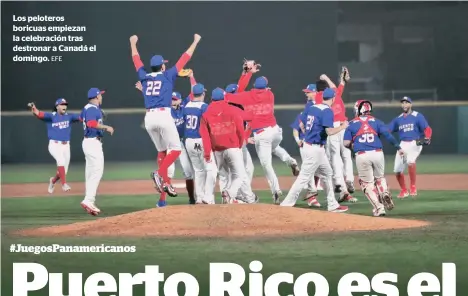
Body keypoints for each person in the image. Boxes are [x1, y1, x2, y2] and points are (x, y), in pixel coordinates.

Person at [129, 33, 201, 199]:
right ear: (162, 66)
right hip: (163, 115)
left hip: (149, 118)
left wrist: (133, 43)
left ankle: (166, 181)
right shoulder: (168, 75)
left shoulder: (144, 77)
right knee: (175, 149)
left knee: (162, 151)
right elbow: (185, 57)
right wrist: (195, 41)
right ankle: (160, 174)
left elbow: (136, 60)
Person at [280, 88, 349, 213]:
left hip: (311, 146)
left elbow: (301, 124)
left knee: (327, 173)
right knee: (303, 178)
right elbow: (329, 131)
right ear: (333, 99)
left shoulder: (313, 107)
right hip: (314, 149)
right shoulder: (328, 111)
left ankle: (332, 204)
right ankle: (286, 204)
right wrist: (343, 126)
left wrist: (308, 133)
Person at [135, 72, 197, 205]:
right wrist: (144, 91)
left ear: (180, 100)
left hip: (181, 143)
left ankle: (192, 199)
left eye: (175, 99)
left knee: (188, 171)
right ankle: (162, 200)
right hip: (168, 144)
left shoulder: (184, 106)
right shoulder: (166, 109)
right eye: (172, 99)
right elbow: (153, 100)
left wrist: (191, 77)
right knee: (169, 171)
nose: (173, 100)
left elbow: (194, 93)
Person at [226, 72, 287, 204]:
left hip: (262, 134)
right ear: (266, 87)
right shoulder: (270, 94)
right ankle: (288, 159)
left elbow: (231, 96)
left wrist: (246, 74)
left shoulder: (247, 96)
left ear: (254, 86)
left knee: (266, 164)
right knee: (274, 148)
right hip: (276, 132)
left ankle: (275, 189)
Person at [343, 100, 405, 216]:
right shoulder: (377, 121)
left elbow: (345, 143)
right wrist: (398, 147)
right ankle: (384, 192)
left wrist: (352, 144)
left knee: (366, 183)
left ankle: (379, 208)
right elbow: (388, 135)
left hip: (362, 155)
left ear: (358, 110)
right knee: (380, 178)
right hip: (378, 153)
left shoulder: (351, 124)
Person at [200, 88, 257, 204]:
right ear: (225, 97)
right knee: (240, 175)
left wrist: (207, 153)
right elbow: (241, 128)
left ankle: (224, 200)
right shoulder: (232, 110)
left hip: (217, 151)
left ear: (211, 99)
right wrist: (241, 142)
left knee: (223, 176)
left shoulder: (205, 114)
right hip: (233, 147)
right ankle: (230, 193)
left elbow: (205, 136)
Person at [315, 72, 356, 203]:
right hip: (344, 124)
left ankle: (339, 181)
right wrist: (327, 77)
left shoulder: (318, 97)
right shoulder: (335, 93)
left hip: (333, 127)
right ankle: (349, 178)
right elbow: (336, 86)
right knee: (347, 154)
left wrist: (340, 80)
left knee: (334, 156)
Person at [28, 99, 81, 193]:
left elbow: (81, 117)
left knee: (63, 172)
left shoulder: (70, 116)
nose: (64, 106)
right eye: (62, 104)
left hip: (66, 146)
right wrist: (34, 109)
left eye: (65, 104)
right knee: (60, 161)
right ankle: (64, 184)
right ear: (57, 106)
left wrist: (91, 114)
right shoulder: (51, 116)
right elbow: (39, 113)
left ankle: (52, 181)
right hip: (54, 145)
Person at [388, 96, 432, 198]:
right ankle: (404, 190)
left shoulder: (417, 116)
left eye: (406, 102)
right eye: (402, 103)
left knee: (410, 161)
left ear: (410, 104)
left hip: (415, 143)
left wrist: (428, 137)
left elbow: (427, 128)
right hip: (402, 144)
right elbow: (388, 129)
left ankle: (413, 187)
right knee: (397, 170)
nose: (404, 104)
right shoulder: (398, 119)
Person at [80, 88, 114, 216]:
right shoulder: (91, 109)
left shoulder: (89, 108)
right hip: (93, 142)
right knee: (97, 171)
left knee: (90, 173)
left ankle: (89, 199)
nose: (101, 97)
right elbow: (90, 123)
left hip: (89, 142)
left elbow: (81, 118)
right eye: (100, 95)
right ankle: (89, 200)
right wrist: (106, 126)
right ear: (96, 96)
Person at [183, 83, 217, 204]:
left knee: (198, 170)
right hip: (200, 140)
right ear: (203, 93)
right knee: (211, 169)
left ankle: (199, 198)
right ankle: (208, 197)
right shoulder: (204, 106)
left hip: (188, 141)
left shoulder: (186, 106)